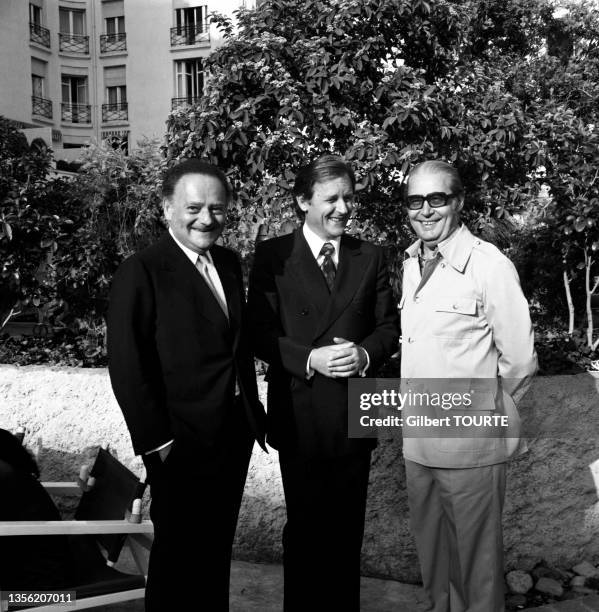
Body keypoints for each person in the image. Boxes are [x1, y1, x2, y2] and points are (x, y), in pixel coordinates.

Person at [107, 158, 266, 612]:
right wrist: (158, 443)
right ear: (166, 209)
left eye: (217, 209)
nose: (207, 219)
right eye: (194, 207)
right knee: (178, 560)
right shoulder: (142, 270)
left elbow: (234, 345)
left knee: (215, 555)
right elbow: (127, 364)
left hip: (233, 434)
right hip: (180, 442)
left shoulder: (230, 263)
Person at [248, 154, 398, 611]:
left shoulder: (369, 255)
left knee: (348, 531)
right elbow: (257, 332)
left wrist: (365, 352)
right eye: (331, 198)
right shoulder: (273, 256)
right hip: (300, 410)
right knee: (307, 529)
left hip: (357, 408)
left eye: (349, 198)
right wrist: (309, 356)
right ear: (302, 201)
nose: (343, 208)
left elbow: (390, 326)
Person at [400, 160, 537, 612]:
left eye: (436, 199)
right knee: (434, 560)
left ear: (457, 202)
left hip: (469, 447)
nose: (425, 211)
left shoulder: (488, 264)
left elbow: (519, 359)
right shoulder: (409, 262)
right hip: (419, 444)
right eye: (415, 201)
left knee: (475, 568)